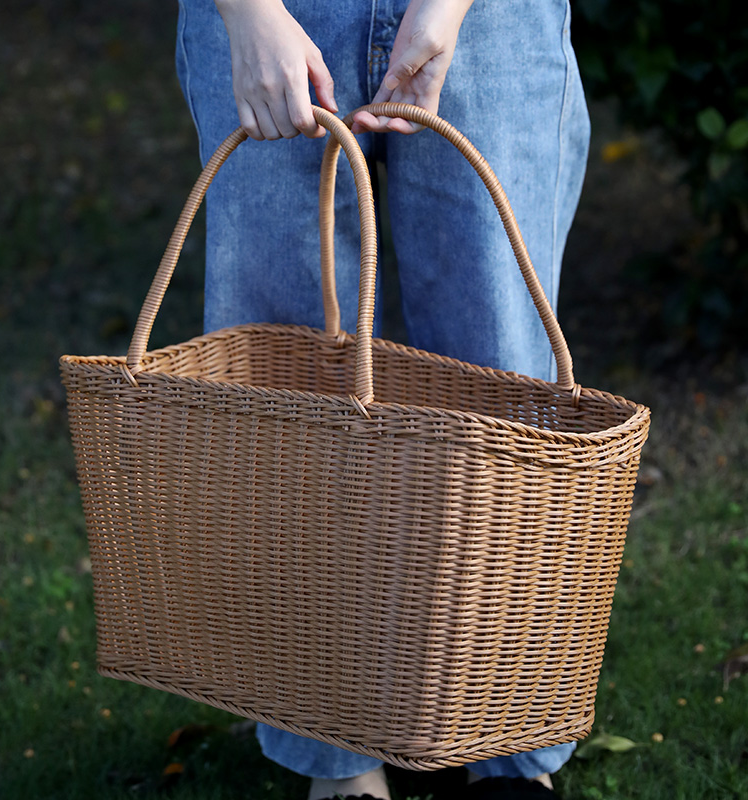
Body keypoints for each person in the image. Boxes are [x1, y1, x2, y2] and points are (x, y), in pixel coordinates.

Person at [175, 0, 590, 797]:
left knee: (504, 391)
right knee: (282, 388)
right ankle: (336, 759)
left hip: (490, 20)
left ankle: (507, 753)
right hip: (273, 14)